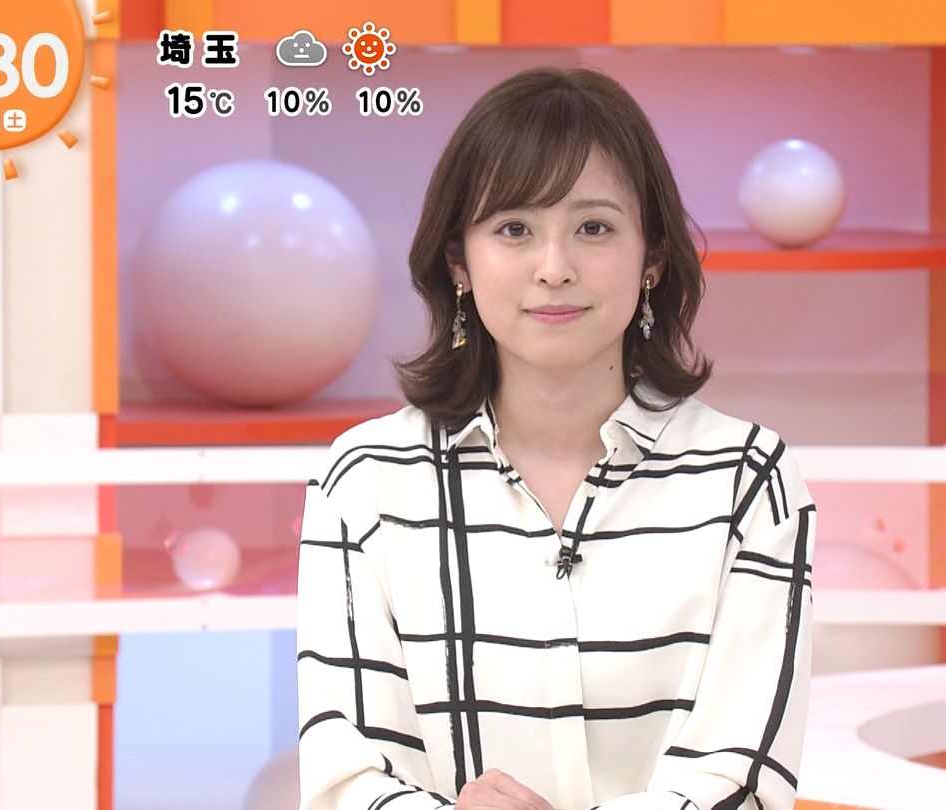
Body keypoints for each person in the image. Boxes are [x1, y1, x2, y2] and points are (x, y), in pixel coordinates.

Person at [297, 66, 817, 810]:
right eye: (514, 229)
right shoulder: (365, 481)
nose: (554, 269)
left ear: (653, 258)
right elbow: (347, 779)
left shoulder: (748, 481)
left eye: (593, 228)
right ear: (459, 261)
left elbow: (745, 781)